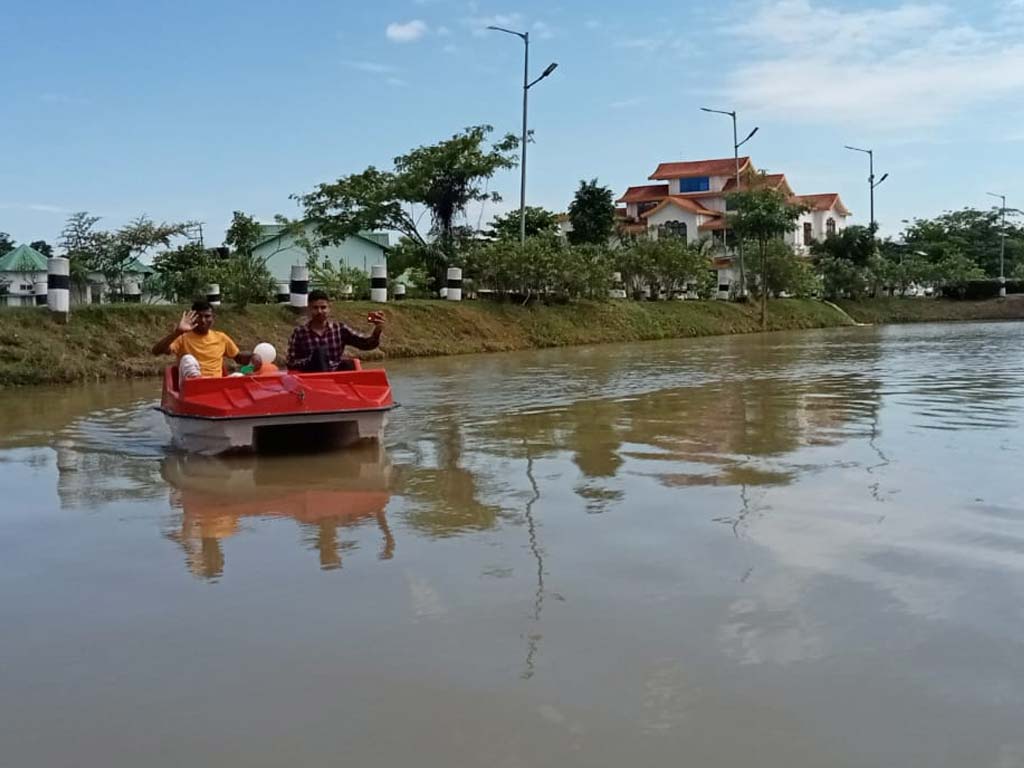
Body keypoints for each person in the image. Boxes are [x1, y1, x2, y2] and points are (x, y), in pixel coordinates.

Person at [152, 300, 251, 384]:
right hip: (192, 386)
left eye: (207, 316)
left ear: (213, 318)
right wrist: (178, 332)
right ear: (192, 317)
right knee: (188, 359)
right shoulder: (182, 337)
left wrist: (254, 358)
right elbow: (156, 351)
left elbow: (239, 358)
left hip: (216, 385)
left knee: (240, 375)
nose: (203, 320)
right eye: (199, 316)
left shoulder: (221, 337)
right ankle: (199, 383)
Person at [286, 290, 385, 372]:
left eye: (323, 307)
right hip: (312, 376)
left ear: (329, 308)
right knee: (319, 353)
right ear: (309, 309)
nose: (319, 311)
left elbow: (365, 344)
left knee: (349, 364)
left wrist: (378, 329)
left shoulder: (339, 329)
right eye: (315, 308)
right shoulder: (300, 333)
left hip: (335, 376)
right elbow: (291, 363)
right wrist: (313, 360)